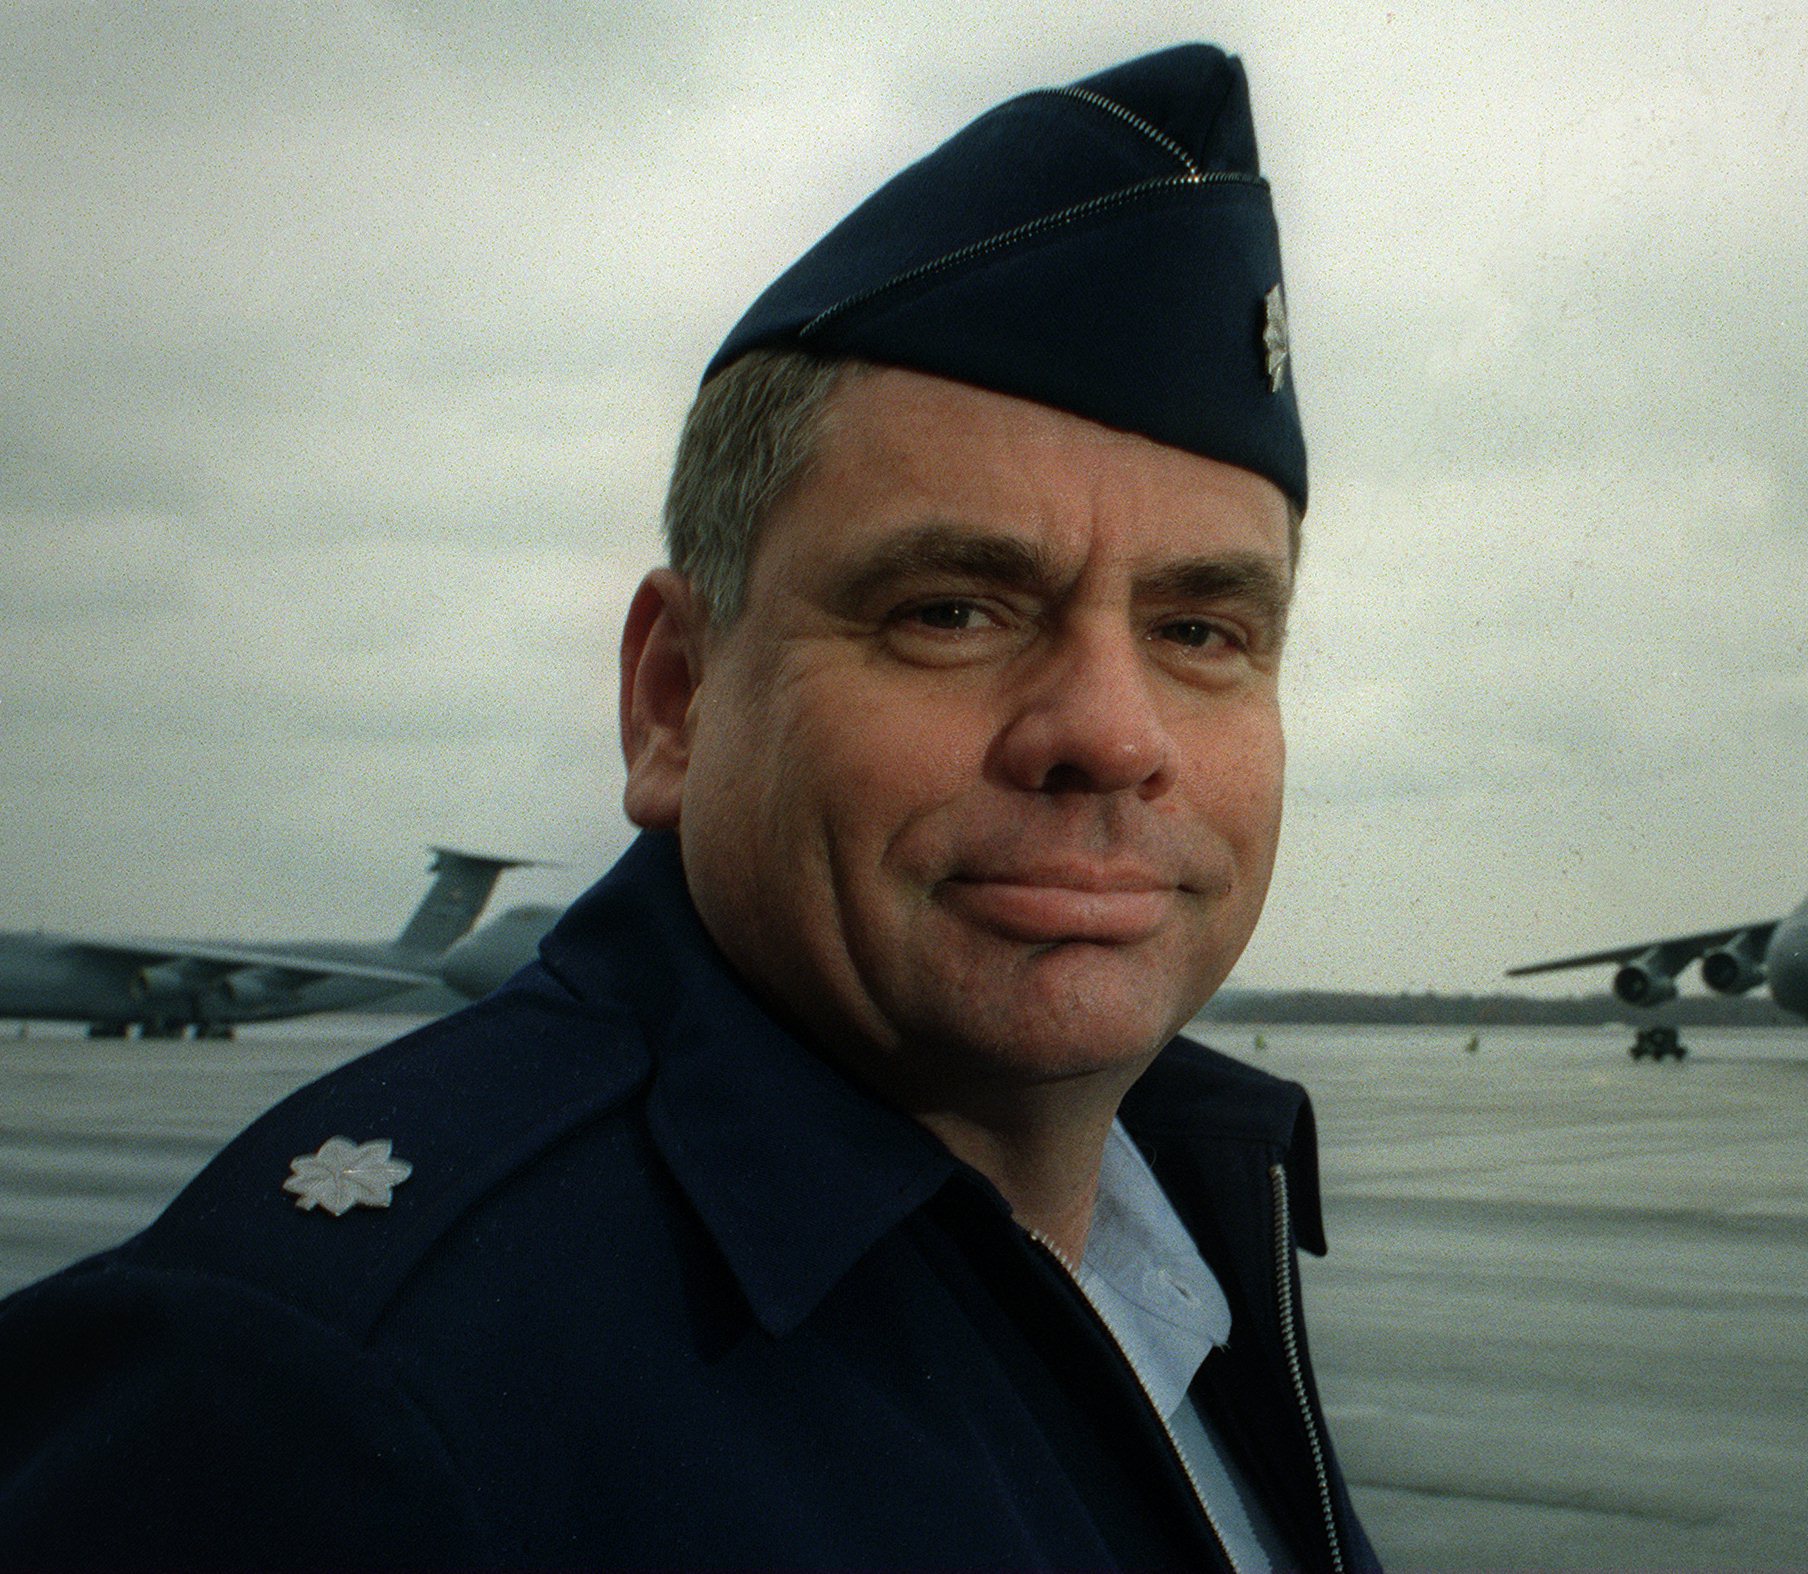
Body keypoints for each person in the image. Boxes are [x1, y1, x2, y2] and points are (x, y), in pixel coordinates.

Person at [0, 43, 1379, 1571]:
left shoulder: (1188, 1229)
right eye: (951, 609)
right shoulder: (316, 1401)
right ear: (674, 697)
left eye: (1203, 632)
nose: (1113, 736)